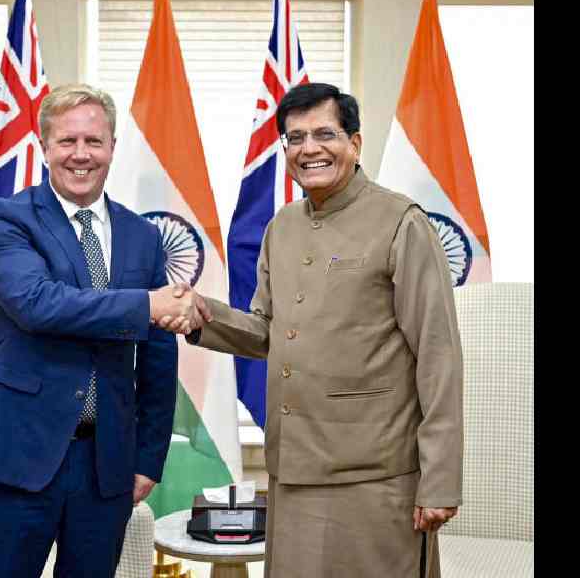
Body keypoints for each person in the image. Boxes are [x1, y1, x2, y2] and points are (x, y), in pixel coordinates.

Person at [161, 82, 464, 577]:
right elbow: (266, 332)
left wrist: (440, 480)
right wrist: (200, 314)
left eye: (325, 134)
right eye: (296, 138)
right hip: (293, 471)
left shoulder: (401, 222)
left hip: (376, 476)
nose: (310, 149)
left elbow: (438, 355)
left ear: (355, 143)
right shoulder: (282, 227)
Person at [0, 83, 201, 578]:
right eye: (67, 142)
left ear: (112, 148)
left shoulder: (143, 236)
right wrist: (147, 303)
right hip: (15, 453)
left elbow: (160, 358)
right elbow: (39, 305)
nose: (81, 155)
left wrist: (148, 459)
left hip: (106, 466)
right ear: (45, 147)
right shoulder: (3, 220)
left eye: (94, 142)